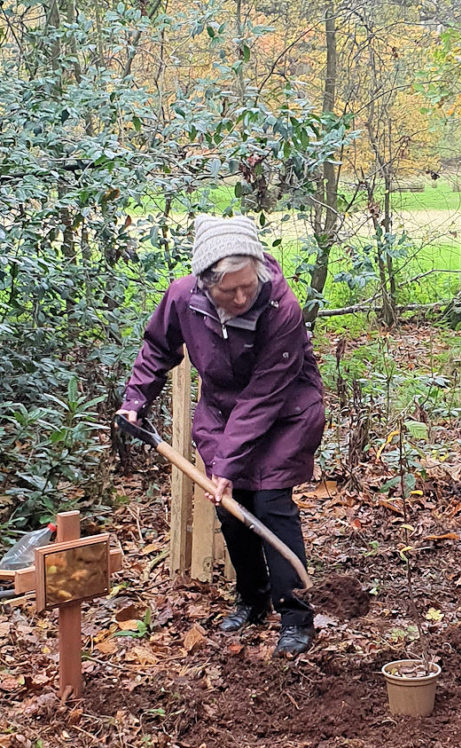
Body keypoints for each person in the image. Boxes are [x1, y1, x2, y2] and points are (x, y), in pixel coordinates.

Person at [117, 214, 324, 656]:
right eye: (230, 290)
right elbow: (158, 347)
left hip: (284, 410)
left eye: (248, 285)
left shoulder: (280, 308)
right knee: (231, 510)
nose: (242, 295)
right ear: (204, 283)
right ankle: (252, 598)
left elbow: (264, 397)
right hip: (221, 412)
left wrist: (227, 465)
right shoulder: (182, 298)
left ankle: (296, 615)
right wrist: (136, 400)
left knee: (270, 504)